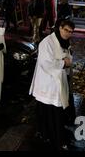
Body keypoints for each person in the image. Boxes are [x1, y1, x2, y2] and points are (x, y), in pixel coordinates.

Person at [29, 19, 75, 150]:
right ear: (60, 28)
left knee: (56, 112)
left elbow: (68, 57)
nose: (68, 33)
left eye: (71, 32)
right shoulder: (47, 42)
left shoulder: (65, 42)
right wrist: (63, 63)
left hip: (59, 82)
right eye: (66, 30)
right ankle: (48, 135)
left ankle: (55, 135)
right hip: (47, 84)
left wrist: (67, 62)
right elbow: (46, 63)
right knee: (48, 111)